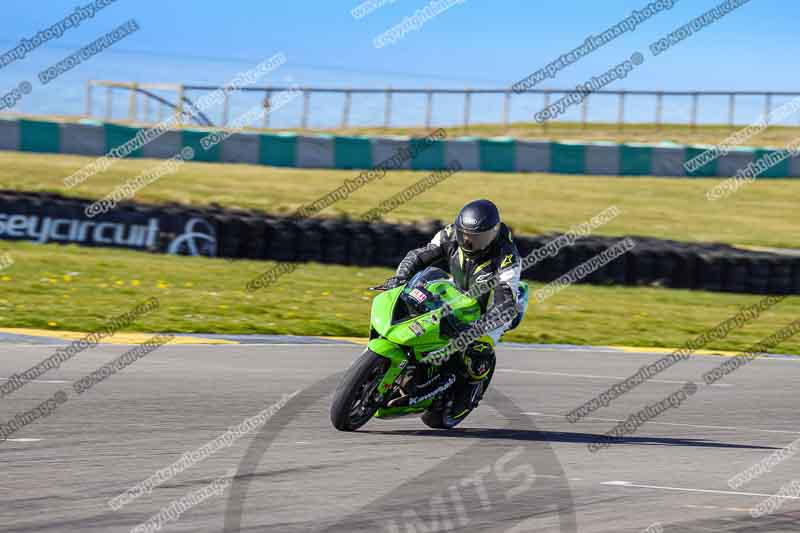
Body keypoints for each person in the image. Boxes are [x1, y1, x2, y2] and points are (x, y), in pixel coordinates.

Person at [378, 199, 528, 410]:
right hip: (458, 291)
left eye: (478, 238)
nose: (468, 243)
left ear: (493, 235)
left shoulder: (507, 256)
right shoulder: (448, 234)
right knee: (421, 294)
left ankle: (466, 397)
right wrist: (400, 277)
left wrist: (477, 328)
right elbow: (419, 256)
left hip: (490, 309)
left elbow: (505, 302)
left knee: (478, 352)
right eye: (465, 235)